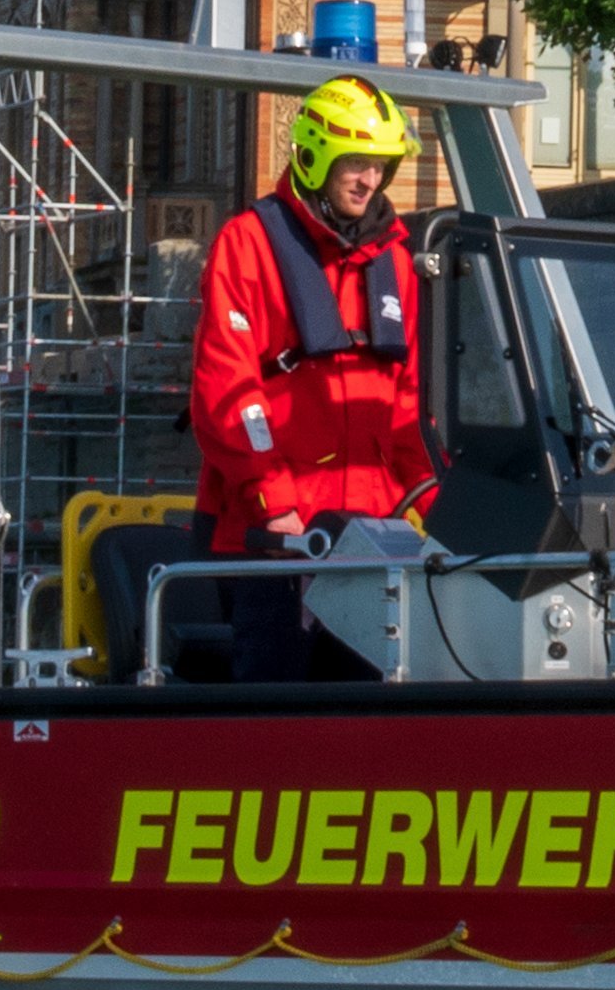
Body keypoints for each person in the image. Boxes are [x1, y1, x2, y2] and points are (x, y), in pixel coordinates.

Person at [185, 74, 436, 683]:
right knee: (273, 719)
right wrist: (272, 504)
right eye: (355, 162)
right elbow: (227, 389)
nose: (368, 180)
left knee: (374, 723)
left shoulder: (395, 261)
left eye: (379, 165)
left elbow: (407, 401)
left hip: (373, 540)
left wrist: (425, 500)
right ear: (314, 155)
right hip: (272, 541)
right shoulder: (247, 245)